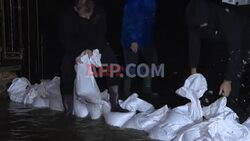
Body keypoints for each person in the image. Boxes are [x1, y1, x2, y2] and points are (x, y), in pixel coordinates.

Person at [58, 0, 127, 114]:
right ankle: (68, 109)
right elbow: (65, 37)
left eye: (90, 15)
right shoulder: (67, 15)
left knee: (113, 65)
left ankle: (115, 104)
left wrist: (93, 48)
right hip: (75, 45)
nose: (88, 18)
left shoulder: (99, 10)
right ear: (76, 10)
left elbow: (101, 32)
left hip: (95, 43)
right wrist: (77, 53)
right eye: (84, 16)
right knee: (66, 69)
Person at [186, 0, 245, 112]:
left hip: (241, 36)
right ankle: (209, 106)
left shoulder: (226, 17)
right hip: (218, 38)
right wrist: (193, 72)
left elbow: (236, 51)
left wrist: (228, 80)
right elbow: (194, 45)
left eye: (202, 24)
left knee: (235, 73)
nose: (201, 27)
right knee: (214, 66)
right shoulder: (193, 18)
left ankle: (230, 111)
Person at [121, 0, 158, 97]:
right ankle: (126, 90)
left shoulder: (152, 2)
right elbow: (128, 22)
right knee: (131, 64)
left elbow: (150, 21)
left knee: (152, 60)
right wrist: (132, 40)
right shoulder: (132, 3)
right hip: (132, 37)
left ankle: (147, 88)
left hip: (146, 37)